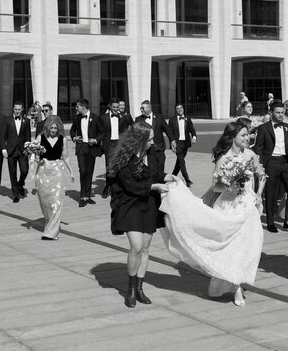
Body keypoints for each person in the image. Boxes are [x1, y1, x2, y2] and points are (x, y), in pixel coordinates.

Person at [160, 121, 265, 307]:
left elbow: (262, 175)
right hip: (227, 205)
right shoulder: (223, 159)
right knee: (229, 247)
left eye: (247, 134)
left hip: (247, 206)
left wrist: (258, 195)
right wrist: (228, 184)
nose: (247, 138)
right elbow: (215, 186)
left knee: (246, 246)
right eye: (243, 135)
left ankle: (237, 283)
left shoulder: (250, 155)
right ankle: (235, 286)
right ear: (232, 137)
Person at [107, 122, 170, 308]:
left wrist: (167, 177)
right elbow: (131, 186)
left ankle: (140, 288)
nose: (152, 142)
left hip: (148, 204)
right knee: (136, 245)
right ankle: (131, 289)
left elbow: (156, 173)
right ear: (140, 139)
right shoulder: (124, 159)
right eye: (149, 139)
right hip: (130, 204)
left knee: (146, 247)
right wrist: (155, 186)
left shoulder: (151, 154)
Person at [254, 101, 288, 234]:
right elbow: (259, 147)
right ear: (271, 113)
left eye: (282, 113)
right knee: (270, 193)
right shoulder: (263, 128)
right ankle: (270, 222)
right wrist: (260, 164)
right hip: (271, 162)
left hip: (286, 162)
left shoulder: (287, 127)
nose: (280, 115)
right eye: (277, 113)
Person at [30, 115, 74, 240]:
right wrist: (33, 153)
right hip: (43, 172)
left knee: (57, 202)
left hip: (57, 171)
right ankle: (50, 223)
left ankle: (50, 233)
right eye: (51, 128)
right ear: (47, 127)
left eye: (55, 128)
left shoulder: (62, 139)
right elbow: (34, 153)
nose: (53, 130)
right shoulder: (41, 137)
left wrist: (71, 171)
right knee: (46, 203)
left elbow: (65, 156)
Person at [70, 98, 103, 207]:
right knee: (82, 170)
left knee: (89, 171)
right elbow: (72, 130)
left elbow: (103, 133)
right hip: (81, 147)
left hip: (91, 148)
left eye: (77, 106)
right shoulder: (77, 118)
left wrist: (96, 140)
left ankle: (87, 196)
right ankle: (82, 196)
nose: (76, 108)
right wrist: (74, 138)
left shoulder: (96, 118)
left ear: (83, 107)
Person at [99, 98, 133, 198]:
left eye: (117, 107)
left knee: (120, 167)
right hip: (109, 144)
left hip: (119, 144)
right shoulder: (103, 117)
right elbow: (101, 132)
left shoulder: (123, 117)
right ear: (110, 106)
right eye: (114, 107)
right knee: (109, 168)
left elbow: (129, 128)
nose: (115, 109)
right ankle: (108, 187)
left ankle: (118, 188)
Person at [0, 102, 32, 202]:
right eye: (15, 109)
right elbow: (2, 136)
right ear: (13, 109)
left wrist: (28, 149)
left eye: (19, 109)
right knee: (12, 172)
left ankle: (20, 183)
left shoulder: (26, 121)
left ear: (22, 110)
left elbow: (28, 136)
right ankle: (15, 194)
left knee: (24, 170)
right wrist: (3, 149)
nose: (17, 111)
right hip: (11, 150)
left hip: (22, 150)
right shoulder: (7, 120)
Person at [135, 100, 175, 178]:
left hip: (160, 147)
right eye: (140, 108)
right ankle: (154, 185)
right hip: (148, 148)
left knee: (161, 167)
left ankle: (161, 184)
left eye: (143, 108)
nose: (141, 109)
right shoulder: (138, 119)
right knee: (152, 169)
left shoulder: (159, 117)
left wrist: (173, 140)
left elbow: (167, 129)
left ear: (149, 108)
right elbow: (134, 133)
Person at [168, 103, 197, 188]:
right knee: (182, 162)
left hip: (185, 143)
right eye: (177, 109)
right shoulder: (172, 120)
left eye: (181, 108)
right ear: (175, 110)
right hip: (177, 144)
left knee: (179, 162)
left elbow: (192, 129)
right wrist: (172, 143)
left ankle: (172, 176)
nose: (180, 110)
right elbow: (170, 133)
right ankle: (187, 180)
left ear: (183, 109)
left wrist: (194, 137)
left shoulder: (188, 119)